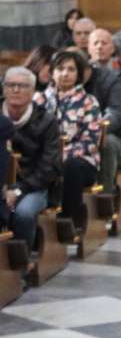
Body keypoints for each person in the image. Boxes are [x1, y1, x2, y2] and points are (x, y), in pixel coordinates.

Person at [42, 50, 102, 233]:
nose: (65, 73)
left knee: (71, 166)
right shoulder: (39, 99)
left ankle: (67, 223)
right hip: (45, 159)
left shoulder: (89, 101)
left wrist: (60, 155)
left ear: (79, 75)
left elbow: (91, 141)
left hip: (81, 161)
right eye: (60, 69)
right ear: (52, 72)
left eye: (71, 69)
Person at [1, 67, 60, 250]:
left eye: (22, 86)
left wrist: (18, 191)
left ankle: (20, 261)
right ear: (3, 88)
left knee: (23, 213)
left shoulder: (46, 121)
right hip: (1, 184)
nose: (16, 90)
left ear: (33, 91)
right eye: (11, 85)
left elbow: (49, 167)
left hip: (32, 186)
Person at [86, 28, 121, 196]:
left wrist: (100, 128)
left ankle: (105, 199)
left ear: (112, 48)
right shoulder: (80, 73)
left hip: (116, 135)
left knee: (106, 143)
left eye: (104, 43)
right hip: (85, 131)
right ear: (88, 49)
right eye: (95, 43)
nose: (99, 47)